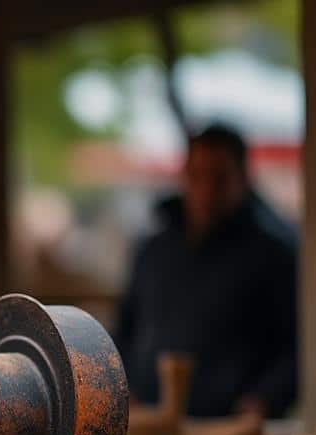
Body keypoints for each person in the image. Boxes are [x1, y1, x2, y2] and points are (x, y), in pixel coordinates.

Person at [115, 124, 298, 418]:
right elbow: (125, 327)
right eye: (197, 176)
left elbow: (297, 347)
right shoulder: (153, 250)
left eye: (219, 178)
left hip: (229, 431)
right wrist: (124, 387)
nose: (206, 190)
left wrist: (264, 400)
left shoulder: (272, 255)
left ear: (242, 178)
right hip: (149, 421)